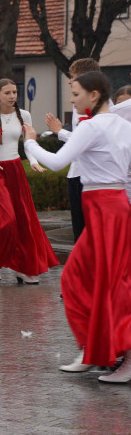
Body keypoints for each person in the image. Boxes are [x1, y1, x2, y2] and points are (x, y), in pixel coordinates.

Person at [23, 71, 131, 383]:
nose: (72, 100)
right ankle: (92, 349)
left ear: (94, 95)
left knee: (113, 286)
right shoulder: (121, 126)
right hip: (109, 208)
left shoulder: (93, 125)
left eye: (77, 93)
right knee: (78, 279)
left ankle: (123, 360)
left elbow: (57, 163)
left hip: (106, 209)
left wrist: (30, 143)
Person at [0, 79, 59, 284]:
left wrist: (33, 161)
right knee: (8, 221)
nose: (12, 96)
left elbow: (28, 142)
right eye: (7, 92)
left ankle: (22, 267)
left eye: (15, 92)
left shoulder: (24, 114)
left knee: (25, 221)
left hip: (16, 169)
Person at [45, 58, 101, 243]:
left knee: (85, 230)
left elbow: (85, 142)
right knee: (81, 230)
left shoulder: (92, 104)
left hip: (84, 174)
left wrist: (59, 132)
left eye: (72, 77)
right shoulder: (79, 103)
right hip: (76, 172)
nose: (69, 81)